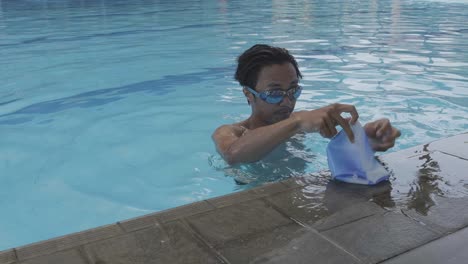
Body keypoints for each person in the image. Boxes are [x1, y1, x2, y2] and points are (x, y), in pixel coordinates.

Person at [212, 44, 401, 166]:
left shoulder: (301, 122)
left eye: (293, 90)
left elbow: (343, 152)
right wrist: (297, 122)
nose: (287, 101)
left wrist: (367, 139)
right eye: (274, 93)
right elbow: (233, 155)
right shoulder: (231, 132)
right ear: (248, 94)